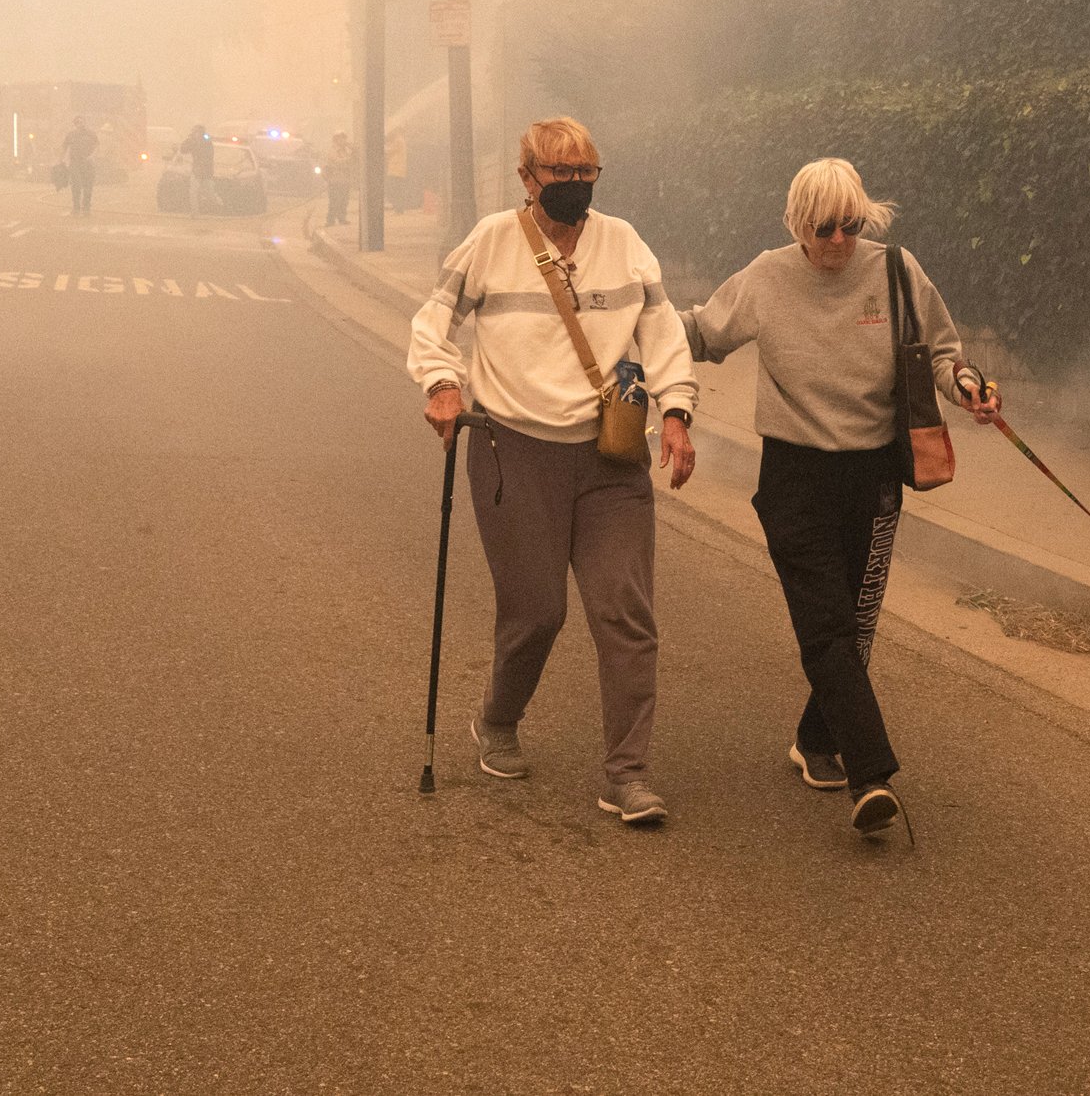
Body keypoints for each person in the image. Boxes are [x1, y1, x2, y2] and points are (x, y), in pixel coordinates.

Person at [683, 157, 999, 838]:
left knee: (855, 624)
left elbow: (942, 350)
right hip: (796, 476)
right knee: (826, 626)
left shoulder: (894, 271)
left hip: (874, 474)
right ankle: (871, 773)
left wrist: (967, 382)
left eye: (850, 227)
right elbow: (700, 334)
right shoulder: (766, 276)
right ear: (797, 223)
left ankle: (814, 739)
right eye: (823, 229)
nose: (837, 243)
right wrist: (627, 326)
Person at [406, 117, 698, 826]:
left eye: (585, 174)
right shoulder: (492, 242)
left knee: (625, 614)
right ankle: (498, 719)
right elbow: (432, 321)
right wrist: (442, 382)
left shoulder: (625, 244)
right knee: (537, 612)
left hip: (607, 459)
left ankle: (627, 774)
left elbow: (662, 335)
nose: (573, 187)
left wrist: (678, 410)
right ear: (526, 177)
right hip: (515, 451)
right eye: (558, 175)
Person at [61, 116, 98, 217]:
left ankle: (86, 208)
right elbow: (65, 147)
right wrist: (63, 160)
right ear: (75, 124)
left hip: (87, 163)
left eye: (82, 122)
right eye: (78, 122)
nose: (81, 124)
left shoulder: (91, 134)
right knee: (76, 185)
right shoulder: (71, 135)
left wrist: (92, 156)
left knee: (88, 186)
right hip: (75, 163)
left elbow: (97, 146)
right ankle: (76, 208)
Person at [323, 132, 356, 227]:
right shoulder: (332, 151)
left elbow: (353, 161)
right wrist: (349, 159)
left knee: (344, 200)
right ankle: (330, 220)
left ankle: (342, 218)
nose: (344, 141)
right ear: (336, 140)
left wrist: (352, 151)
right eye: (341, 139)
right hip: (335, 179)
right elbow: (338, 162)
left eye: (344, 139)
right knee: (334, 200)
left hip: (345, 179)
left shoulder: (346, 150)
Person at [184, 123, 216, 217]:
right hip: (196, 171)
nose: (194, 133)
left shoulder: (207, 142)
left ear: (200, 132)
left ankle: (219, 207)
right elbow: (183, 149)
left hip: (206, 172)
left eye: (195, 131)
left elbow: (207, 157)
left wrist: (202, 169)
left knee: (210, 193)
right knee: (193, 191)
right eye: (193, 131)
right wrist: (189, 140)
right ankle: (195, 212)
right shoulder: (192, 141)